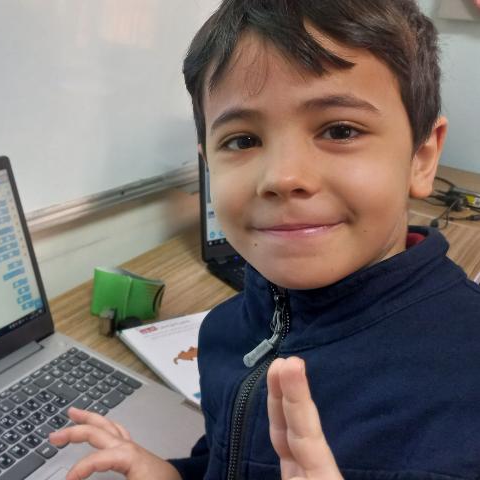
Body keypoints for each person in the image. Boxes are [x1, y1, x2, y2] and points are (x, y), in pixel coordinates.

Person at [49, 1, 480, 478]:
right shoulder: (224, 331)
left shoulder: (465, 387)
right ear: (208, 162)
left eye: (340, 130)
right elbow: (226, 458)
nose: (282, 176)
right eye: (242, 141)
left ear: (422, 157)